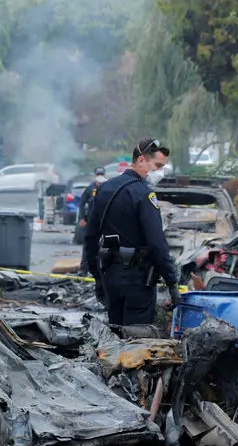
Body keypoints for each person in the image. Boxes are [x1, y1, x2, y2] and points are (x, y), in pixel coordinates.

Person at [83, 138, 179, 328]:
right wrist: (171, 281)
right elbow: (157, 243)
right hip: (137, 278)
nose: (160, 172)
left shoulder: (103, 189)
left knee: (115, 332)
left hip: (110, 274)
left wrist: (98, 277)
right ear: (141, 160)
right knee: (136, 339)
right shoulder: (145, 194)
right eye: (158, 165)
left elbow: (90, 236)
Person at [73, 166, 106, 247]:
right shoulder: (89, 188)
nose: (100, 176)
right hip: (91, 218)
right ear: (95, 176)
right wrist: (82, 218)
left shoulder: (109, 187)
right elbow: (82, 204)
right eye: (98, 175)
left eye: (101, 174)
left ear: (105, 175)